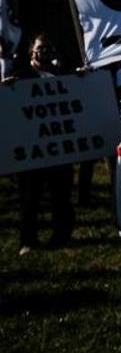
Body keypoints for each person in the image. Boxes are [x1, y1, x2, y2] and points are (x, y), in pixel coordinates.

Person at [7, 34, 76, 255]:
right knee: (29, 197)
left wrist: (84, 81)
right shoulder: (20, 79)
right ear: (31, 53)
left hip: (60, 150)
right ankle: (28, 240)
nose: (46, 52)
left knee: (61, 196)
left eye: (49, 47)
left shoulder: (64, 77)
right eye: (41, 48)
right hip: (32, 151)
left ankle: (62, 236)